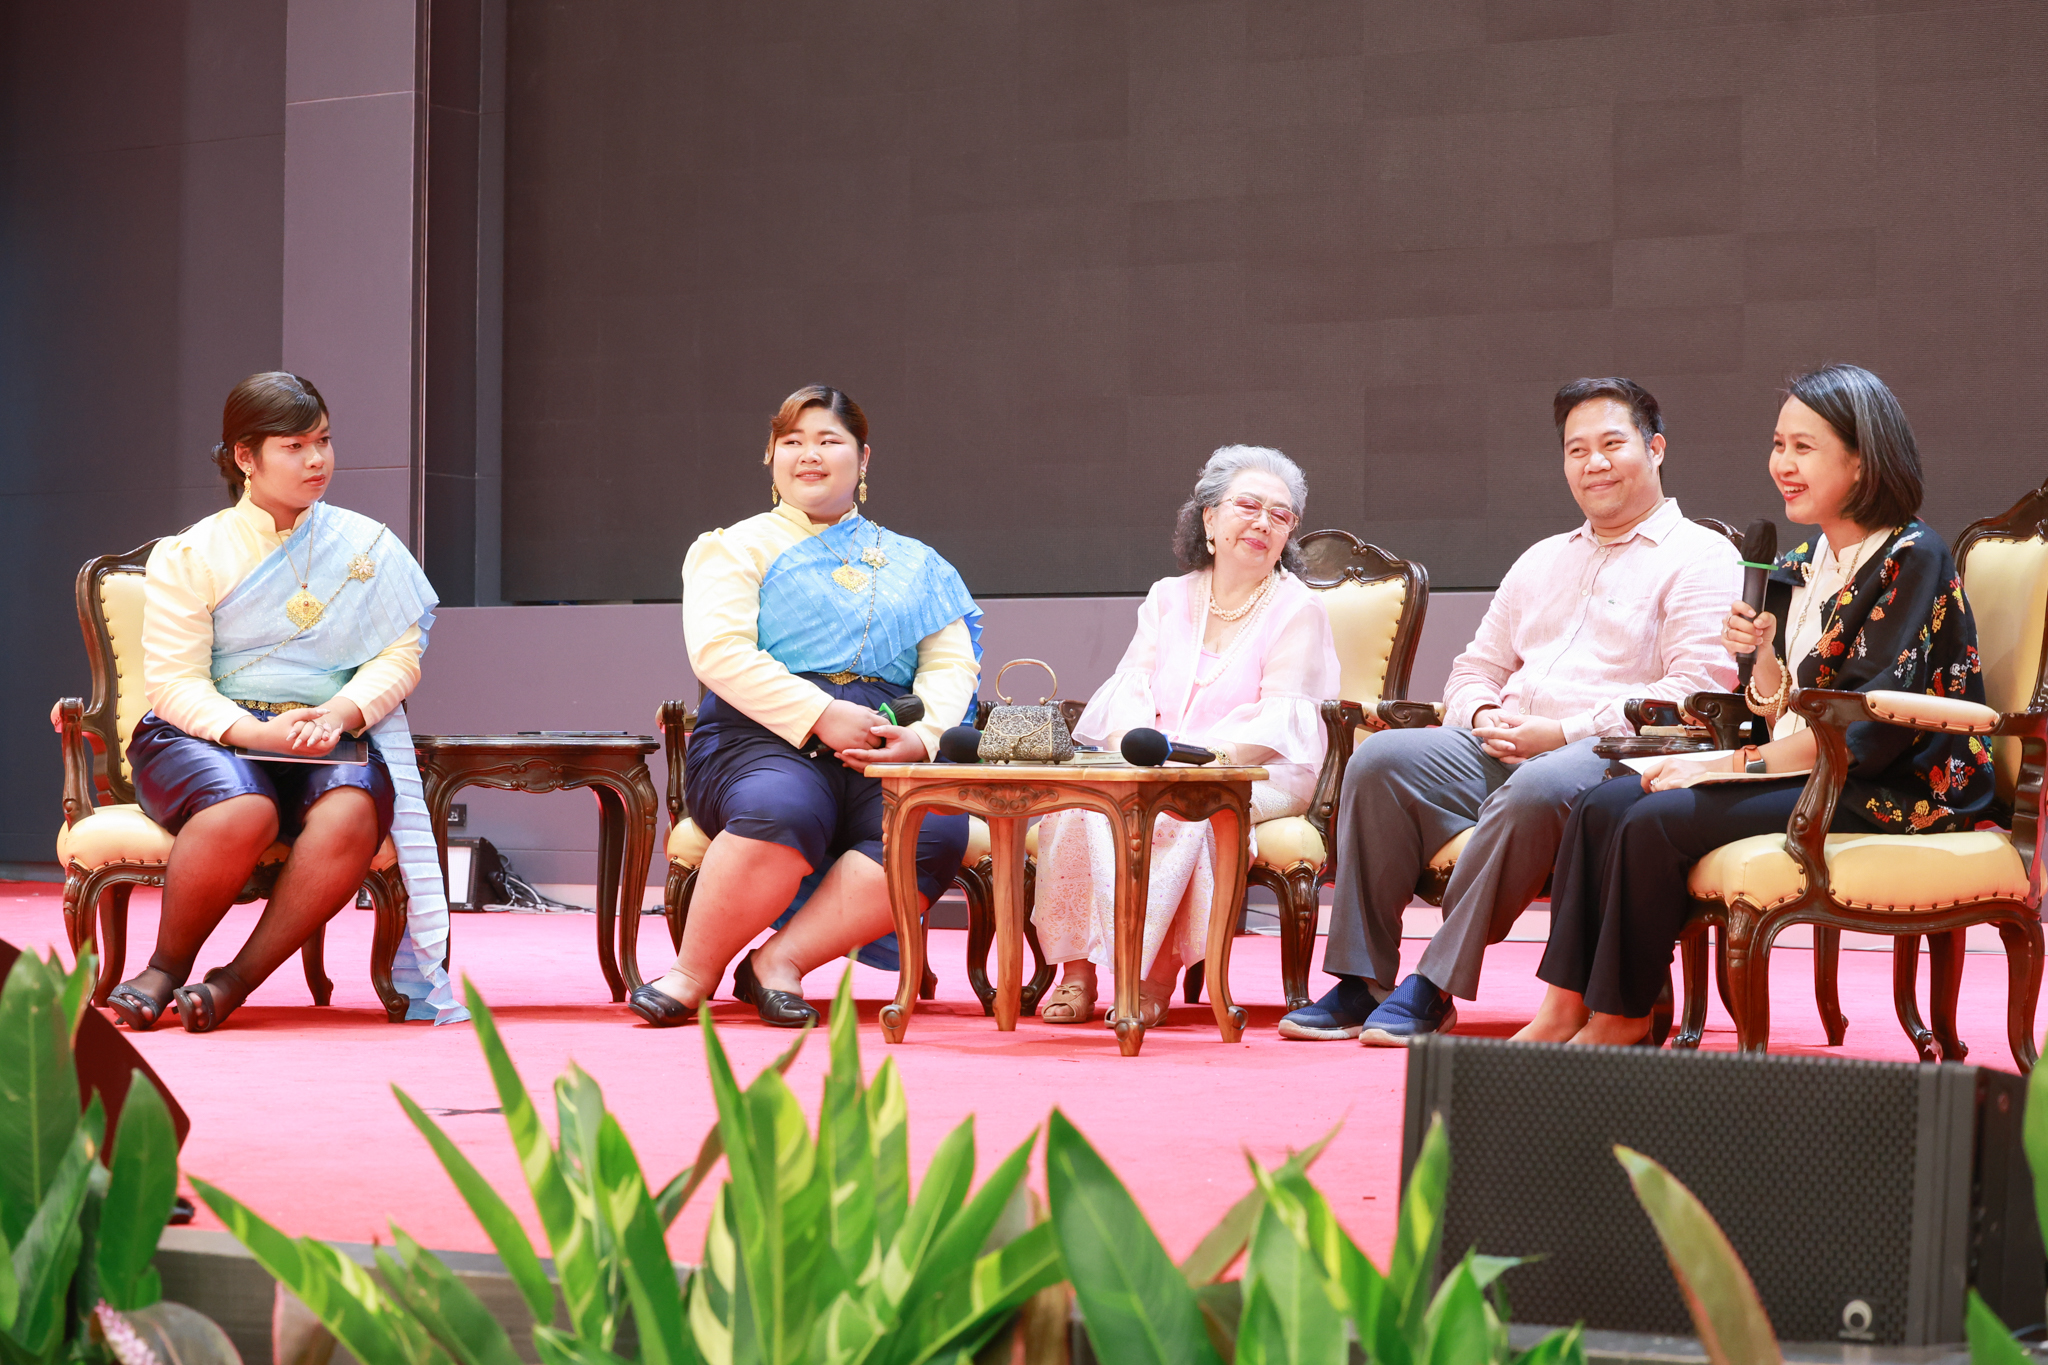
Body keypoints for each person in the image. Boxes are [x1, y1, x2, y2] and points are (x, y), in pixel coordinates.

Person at [1517, 364, 1994, 1044]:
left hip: (1890, 786)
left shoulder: (1911, 555)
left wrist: (1726, 766)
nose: (1783, 465)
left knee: (1656, 820)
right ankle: (1562, 1010)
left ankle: (1623, 1018)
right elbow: (1778, 707)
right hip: (1805, 765)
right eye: (1778, 445)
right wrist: (1764, 657)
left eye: (1804, 447)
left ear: (1861, 461)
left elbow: (1863, 730)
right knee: (1600, 806)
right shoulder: (1801, 561)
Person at [1282, 377, 1742, 1044]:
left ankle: (1434, 982)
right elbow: (1474, 668)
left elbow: (1694, 688)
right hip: (1504, 745)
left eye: (1612, 444)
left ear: (1656, 449)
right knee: (1379, 758)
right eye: (1576, 450)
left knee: (1540, 785)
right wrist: (1479, 714)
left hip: (1615, 754)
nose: (1594, 463)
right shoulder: (1541, 560)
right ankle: (1362, 979)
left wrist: (1560, 732)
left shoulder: (1702, 556)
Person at [102, 372, 459, 1031]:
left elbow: (398, 654)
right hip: (202, 735)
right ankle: (165, 967)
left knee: (353, 812)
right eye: (294, 446)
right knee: (243, 807)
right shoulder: (193, 553)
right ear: (246, 456)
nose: (317, 459)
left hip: (325, 732)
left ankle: (234, 982)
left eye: (323, 440)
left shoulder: (368, 545)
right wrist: (257, 733)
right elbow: (175, 685)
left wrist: (340, 714)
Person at [628, 385, 980, 1028]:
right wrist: (822, 714)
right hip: (759, 735)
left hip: (882, 739)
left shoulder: (919, 564)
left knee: (932, 826)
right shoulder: (735, 547)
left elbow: (951, 664)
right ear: (771, 456)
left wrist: (924, 737)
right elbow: (718, 652)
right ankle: (692, 973)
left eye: (828, 440)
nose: (808, 454)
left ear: (863, 458)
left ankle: (778, 964)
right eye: (792, 441)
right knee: (780, 806)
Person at [1032, 446, 1341, 1027]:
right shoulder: (1168, 597)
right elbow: (1130, 689)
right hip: (1153, 763)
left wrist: (1192, 763)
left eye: (1280, 515)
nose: (1263, 523)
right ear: (1209, 518)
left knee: (1180, 813)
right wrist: (1132, 748)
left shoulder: (1298, 608)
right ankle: (1078, 972)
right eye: (1248, 506)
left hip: (1258, 770)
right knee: (1078, 807)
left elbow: (1279, 722)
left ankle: (1152, 977)